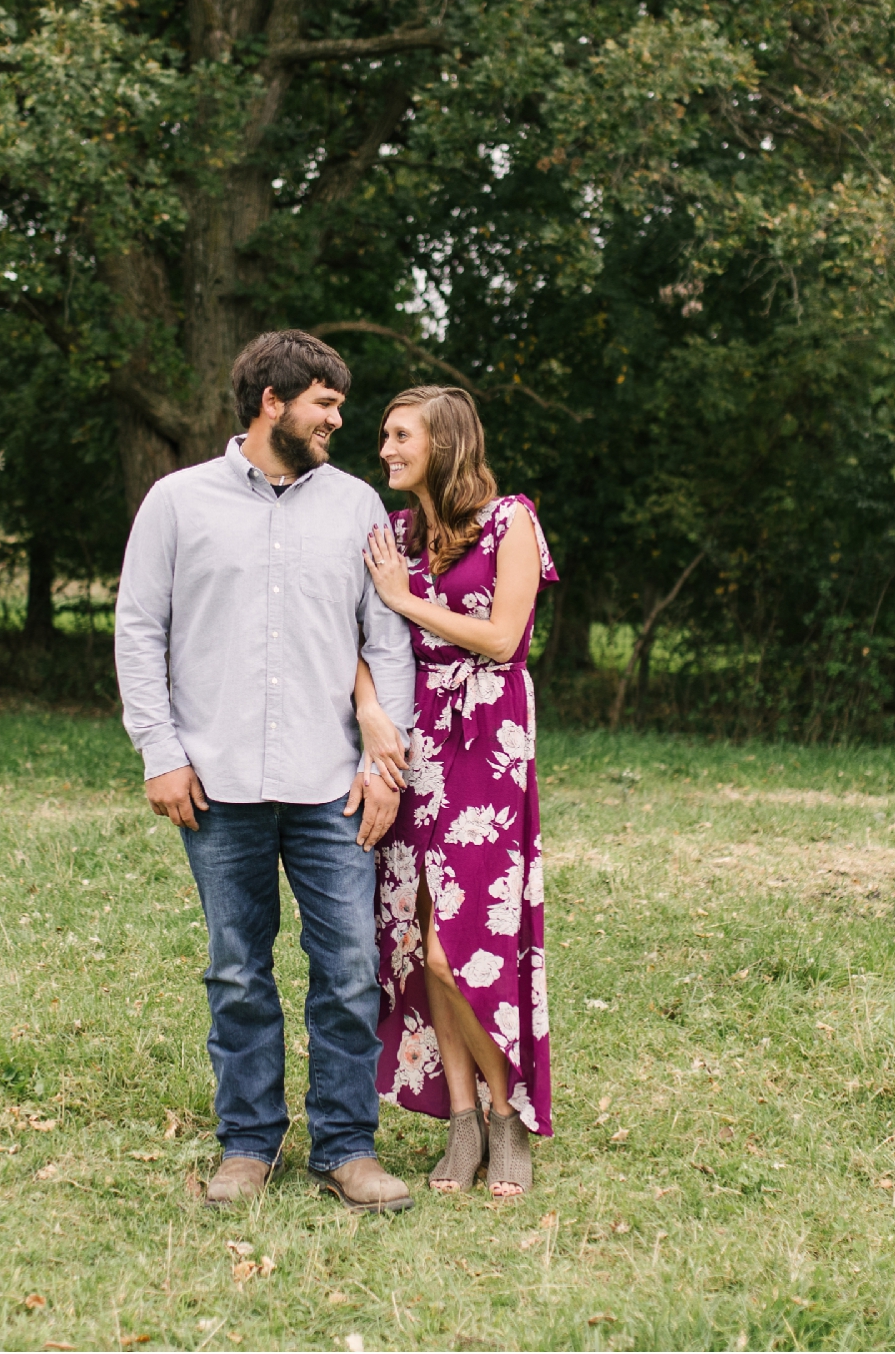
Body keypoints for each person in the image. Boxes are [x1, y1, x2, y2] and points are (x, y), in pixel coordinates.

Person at [113, 330, 420, 1214]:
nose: (338, 421)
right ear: (272, 401)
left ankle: (345, 1147)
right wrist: (160, 754)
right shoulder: (178, 503)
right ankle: (248, 1145)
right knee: (238, 970)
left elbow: (384, 639)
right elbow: (139, 631)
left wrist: (384, 760)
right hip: (215, 784)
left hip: (333, 784)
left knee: (351, 967)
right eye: (325, 404)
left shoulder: (357, 505)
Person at [356, 385, 557, 1198]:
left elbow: (505, 637)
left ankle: (507, 1118)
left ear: (443, 441)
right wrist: (372, 711)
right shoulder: (396, 533)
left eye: (400, 436)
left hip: (487, 740)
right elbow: (355, 634)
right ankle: (464, 1122)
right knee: (420, 941)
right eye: (383, 435)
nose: (385, 450)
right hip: (414, 739)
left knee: (462, 942)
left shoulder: (513, 521)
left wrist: (407, 601)